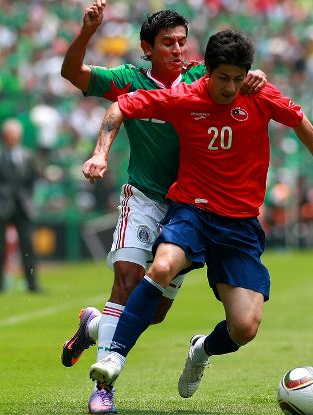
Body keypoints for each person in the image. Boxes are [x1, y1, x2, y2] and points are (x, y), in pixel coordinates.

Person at [81, 30, 313, 409]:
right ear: (207, 72)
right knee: (161, 266)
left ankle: (202, 349)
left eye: (239, 78)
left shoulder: (259, 94)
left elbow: (299, 120)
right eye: (223, 78)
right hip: (192, 210)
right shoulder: (184, 96)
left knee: (244, 328)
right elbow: (120, 107)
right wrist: (101, 153)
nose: (231, 87)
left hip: (239, 225)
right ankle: (114, 358)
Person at [59, 2, 266, 412]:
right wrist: (87, 33)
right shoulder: (127, 79)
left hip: (188, 206)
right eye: (167, 43)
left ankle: (93, 326)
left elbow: (239, 83)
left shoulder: (202, 78)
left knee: (152, 313)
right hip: (143, 197)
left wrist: (255, 78)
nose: (177, 49)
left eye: (182, 42)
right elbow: (72, 74)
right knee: (127, 280)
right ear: (146, 48)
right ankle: (103, 388)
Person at [0, 118, 41, 293]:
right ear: (4, 136)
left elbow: (32, 180)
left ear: (19, 136)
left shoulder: (28, 156)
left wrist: (28, 199)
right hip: (2, 206)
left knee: (28, 246)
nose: (11, 138)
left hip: (22, 207)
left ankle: (32, 284)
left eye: (14, 134)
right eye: (8, 134)